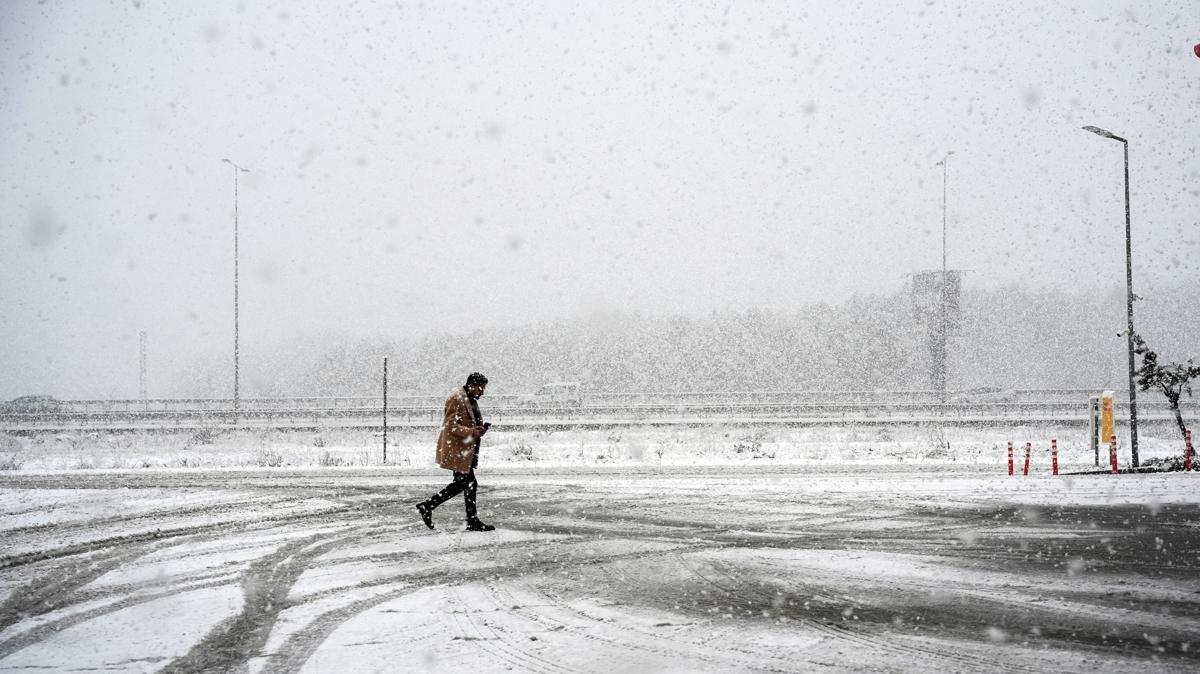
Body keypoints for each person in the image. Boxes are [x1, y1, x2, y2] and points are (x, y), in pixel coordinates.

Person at [415, 372, 495, 531]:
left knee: (467, 483)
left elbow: (466, 423)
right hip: (457, 450)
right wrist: (472, 432)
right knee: (465, 483)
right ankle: (428, 506)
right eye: (480, 388)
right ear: (471, 385)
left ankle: (468, 519)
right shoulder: (456, 399)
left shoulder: (469, 399)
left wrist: (478, 430)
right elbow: (450, 426)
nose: (482, 392)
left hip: (465, 450)